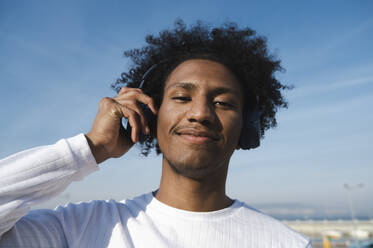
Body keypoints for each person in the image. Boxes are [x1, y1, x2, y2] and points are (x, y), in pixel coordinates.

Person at [0, 20, 312, 247]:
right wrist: (93, 148)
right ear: (150, 113)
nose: (200, 113)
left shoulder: (286, 243)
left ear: (248, 125)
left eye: (223, 102)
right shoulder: (77, 229)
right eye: (181, 97)